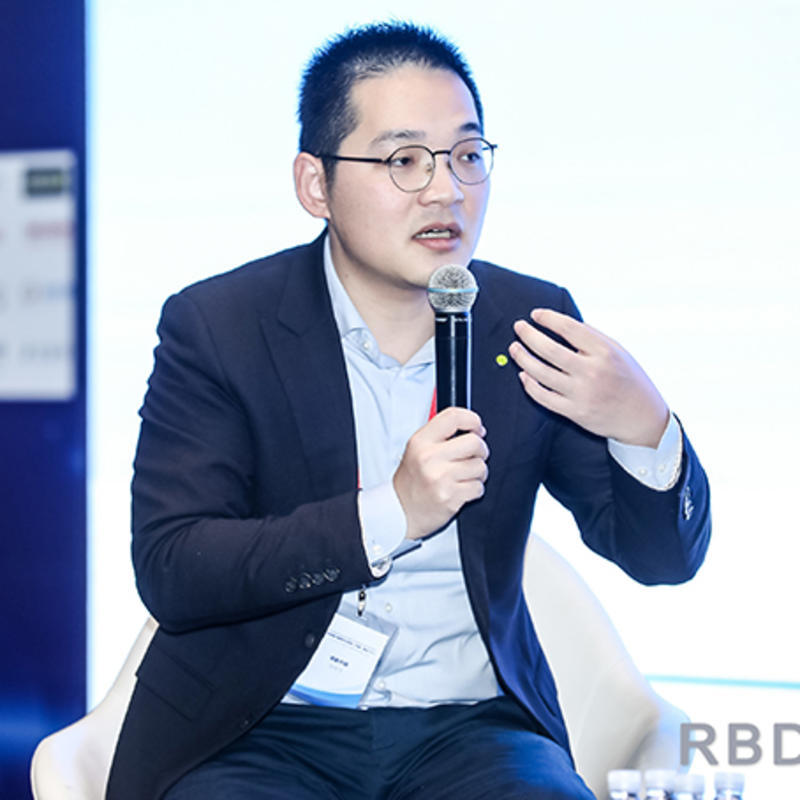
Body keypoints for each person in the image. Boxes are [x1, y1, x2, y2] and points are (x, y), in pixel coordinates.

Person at [106, 21, 710, 800]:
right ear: (315, 185)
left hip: (470, 730)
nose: (446, 190)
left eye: (467, 155)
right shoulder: (221, 326)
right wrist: (393, 512)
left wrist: (644, 428)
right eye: (404, 160)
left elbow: (660, 561)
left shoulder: (526, 324)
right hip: (260, 728)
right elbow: (175, 568)